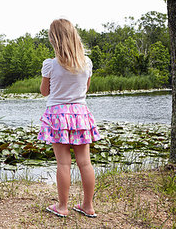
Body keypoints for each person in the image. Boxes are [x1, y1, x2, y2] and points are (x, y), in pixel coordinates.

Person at [38, 19, 101, 218]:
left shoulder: (50, 65)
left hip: (58, 114)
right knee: (85, 162)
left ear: (54, 39)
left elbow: (44, 92)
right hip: (80, 113)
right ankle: (88, 206)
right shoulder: (86, 63)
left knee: (63, 163)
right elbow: (86, 88)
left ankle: (63, 207)